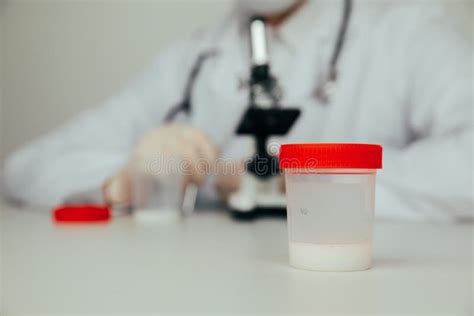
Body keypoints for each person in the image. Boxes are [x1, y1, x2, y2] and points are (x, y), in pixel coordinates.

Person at [3, 0, 473, 221]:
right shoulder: (195, 59)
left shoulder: (407, 35)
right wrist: (126, 180)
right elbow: (27, 166)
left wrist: (305, 178)